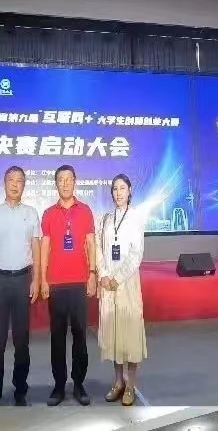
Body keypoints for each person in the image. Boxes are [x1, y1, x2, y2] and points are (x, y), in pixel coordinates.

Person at [0, 166, 41, 406]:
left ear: (24, 185)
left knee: (21, 340)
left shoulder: (31, 213)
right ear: (4, 183)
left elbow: (36, 250)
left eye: (19, 181)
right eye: (11, 180)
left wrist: (36, 279)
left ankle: (20, 390)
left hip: (22, 280)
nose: (15, 184)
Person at [41, 165, 96, 406]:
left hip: (79, 281)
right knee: (57, 337)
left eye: (69, 179)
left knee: (80, 335)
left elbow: (91, 243)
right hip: (56, 283)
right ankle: (59, 385)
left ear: (75, 182)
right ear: (56, 183)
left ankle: (79, 384)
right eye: (61, 179)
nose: (65, 183)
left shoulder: (85, 211)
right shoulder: (48, 213)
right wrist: (43, 279)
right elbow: (45, 247)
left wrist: (92, 274)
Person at [95, 174, 147, 406]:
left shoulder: (135, 217)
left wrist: (117, 278)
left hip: (127, 284)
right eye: (115, 189)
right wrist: (104, 274)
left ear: (130, 190)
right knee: (114, 335)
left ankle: (131, 385)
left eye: (122, 188)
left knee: (130, 334)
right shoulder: (106, 218)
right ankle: (118, 382)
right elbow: (99, 248)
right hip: (108, 285)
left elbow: (136, 253)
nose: (118, 193)